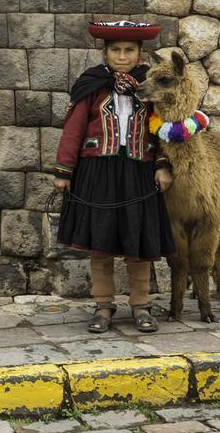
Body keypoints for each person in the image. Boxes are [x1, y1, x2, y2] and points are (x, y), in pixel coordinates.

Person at [54, 21, 174, 335]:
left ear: (139, 53)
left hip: (138, 171)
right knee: (101, 243)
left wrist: (162, 165)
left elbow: (162, 131)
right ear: (105, 52)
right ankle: (103, 305)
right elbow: (74, 129)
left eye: (129, 50)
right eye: (116, 50)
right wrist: (64, 171)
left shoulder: (150, 88)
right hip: (98, 173)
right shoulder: (91, 85)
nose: (122, 56)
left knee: (139, 242)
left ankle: (141, 305)